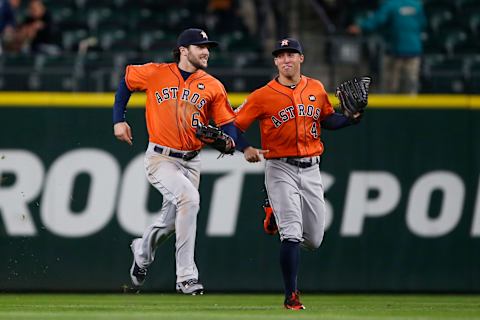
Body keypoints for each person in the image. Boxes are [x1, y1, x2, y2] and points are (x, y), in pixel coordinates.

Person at [233, 38, 364, 310]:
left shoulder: (315, 88)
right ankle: (291, 295)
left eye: (291, 54)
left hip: (312, 167)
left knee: (314, 239)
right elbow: (233, 126)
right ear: (275, 62)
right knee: (291, 233)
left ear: (301, 58)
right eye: (281, 56)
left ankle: (273, 214)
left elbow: (327, 119)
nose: (286, 59)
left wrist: (349, 119)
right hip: (280, 167)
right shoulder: (262, 95)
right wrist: (245, 148)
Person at [112, 28, 236, 295]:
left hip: (192, 162)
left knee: (170, 223)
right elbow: (127, 81)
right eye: (200, 47)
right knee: (189, 200)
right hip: (161, 158)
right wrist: (118, 119)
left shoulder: (213, 85)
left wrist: (230, 140)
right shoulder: (156, 72)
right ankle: (186, 277)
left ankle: (142, 251)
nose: (206, 52)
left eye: (208, 47)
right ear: (183, 50)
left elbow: (227, 123)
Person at [347, 0, 426, 94]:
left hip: (395, 51)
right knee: (410, 86)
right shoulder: (417, 5)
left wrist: (360, 27)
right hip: (413, 51)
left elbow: (377, 20)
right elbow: (423, 24)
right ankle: (412, 107)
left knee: (390, 88)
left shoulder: (391, 4)